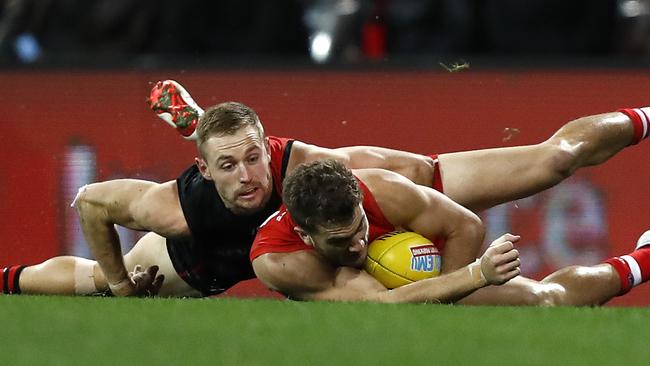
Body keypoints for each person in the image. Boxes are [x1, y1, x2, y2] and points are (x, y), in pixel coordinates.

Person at [2, 79, 648, 299]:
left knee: (552, 161)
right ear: (207, 168)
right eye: (228, 164)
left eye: (257, 158)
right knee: (90, 285)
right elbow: (89, 201)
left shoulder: (344, 174)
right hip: (206, 265)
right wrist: (118, 283)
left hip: (391, 199)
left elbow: (257, 155)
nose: (248, 174)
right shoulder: (180, 210)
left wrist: (455, 284)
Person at [251, 159, 650, 305]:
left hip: (434, 269)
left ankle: (643, 259)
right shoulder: (280, 261)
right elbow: (382, 306)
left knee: (547, 298)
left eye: (360, 228)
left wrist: (453, 288)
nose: (357, 244)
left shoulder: (382, 190)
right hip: (377, 299)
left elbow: (466, 224)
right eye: (339, 241)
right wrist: (475, 277)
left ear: (360, 202)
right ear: (306, 236)